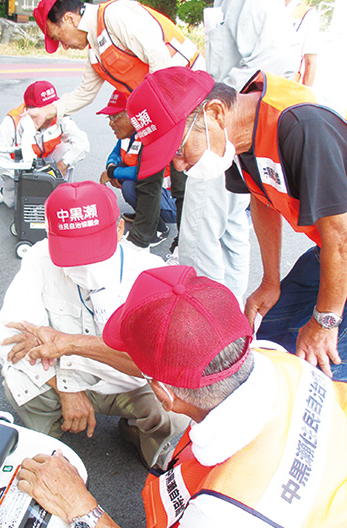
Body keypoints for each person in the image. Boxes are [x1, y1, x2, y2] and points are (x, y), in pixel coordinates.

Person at [16, 265, 347, 528]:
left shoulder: (228, 507)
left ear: (165, 394)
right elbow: (165, 369)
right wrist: (68, 343)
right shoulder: (274, 360)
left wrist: (80, 506)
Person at [123, 65, 347, 381]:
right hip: (331, 250)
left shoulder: (301, 128)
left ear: (214, 113)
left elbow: (342, 237)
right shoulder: (237, 137)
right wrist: (271, 281)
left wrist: (326, 321)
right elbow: (263, 200)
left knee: (321, 370)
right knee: (266, 343)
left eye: (179, 149)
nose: (179, 165)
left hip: (341, 246)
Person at [0, 180, 189, 468]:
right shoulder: (39, 258)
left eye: (94, 250)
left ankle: (144, 436)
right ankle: (52, 438)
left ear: (120, 229)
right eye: (70, 254)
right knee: (17, 378)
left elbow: (157, 365)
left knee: (176, 408)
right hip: (67, 376)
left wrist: (65, 343)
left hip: (131, 385)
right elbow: (6, 336)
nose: (82, 265)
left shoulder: (151, 275)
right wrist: (65, 388)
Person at [29, 0, 203, 249]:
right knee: (147, 176)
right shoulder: (94, 49)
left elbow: (159, 60)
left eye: (60, 37)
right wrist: (47, 110)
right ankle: (141, 242)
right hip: (159, 106)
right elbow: (84, 93)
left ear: (69, 19)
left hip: (186, 94)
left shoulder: (115, 16)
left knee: (182, 177)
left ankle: (185, 245)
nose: (64, 45)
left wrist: (159, 119)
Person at [177, 0, 292, 303]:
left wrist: (209, 106)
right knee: (232, 228)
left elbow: (272, 61)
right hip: (231, 126)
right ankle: (229, 318)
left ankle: (206, 320)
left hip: (223, 125)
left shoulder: (252, 3)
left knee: (201, 231)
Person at [0, 80, 89, 210]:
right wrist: (24, 174)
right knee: (15, 202)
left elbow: (82, 142)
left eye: (51, 107)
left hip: (49, 164)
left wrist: (64, 163)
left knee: (67, 149)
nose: (49, 116)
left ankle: (62, 193)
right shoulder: (12, 122)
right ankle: (5, 192)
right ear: (30, 110)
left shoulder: (59, 115)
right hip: (21, 167)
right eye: (44, 110)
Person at [98, 90, 175, 247]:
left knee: (130, 184)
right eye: (109, 118)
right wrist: (111, 166)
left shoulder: (152, 135)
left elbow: (144, 171)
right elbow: (115, 153)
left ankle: (159, 228)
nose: (111, 123)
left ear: (133, 115)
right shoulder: (129, 135)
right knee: (123, 172)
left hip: (172, 200)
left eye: (115, 117)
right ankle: (144, 215)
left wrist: (113, 173)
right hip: (159, 193)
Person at [285, 0, 319, 87]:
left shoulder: (307, 14)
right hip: (258, 83)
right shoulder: (266, 7)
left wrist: (305, 96)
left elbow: (310, 62)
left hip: (286, 86)